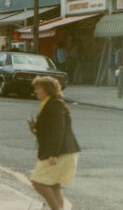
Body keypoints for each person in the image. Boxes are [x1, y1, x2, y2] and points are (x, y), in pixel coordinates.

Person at [29, 76, 81, 210]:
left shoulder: (55, 104)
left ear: (47, 89)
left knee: (38, 181)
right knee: (53, 184)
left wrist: (53, 154)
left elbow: (59, 130)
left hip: (60, 152)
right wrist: (35, 129)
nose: (35, 91)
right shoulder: (49, 103)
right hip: (61, 151)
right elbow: (49, 130)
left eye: (38, 88)